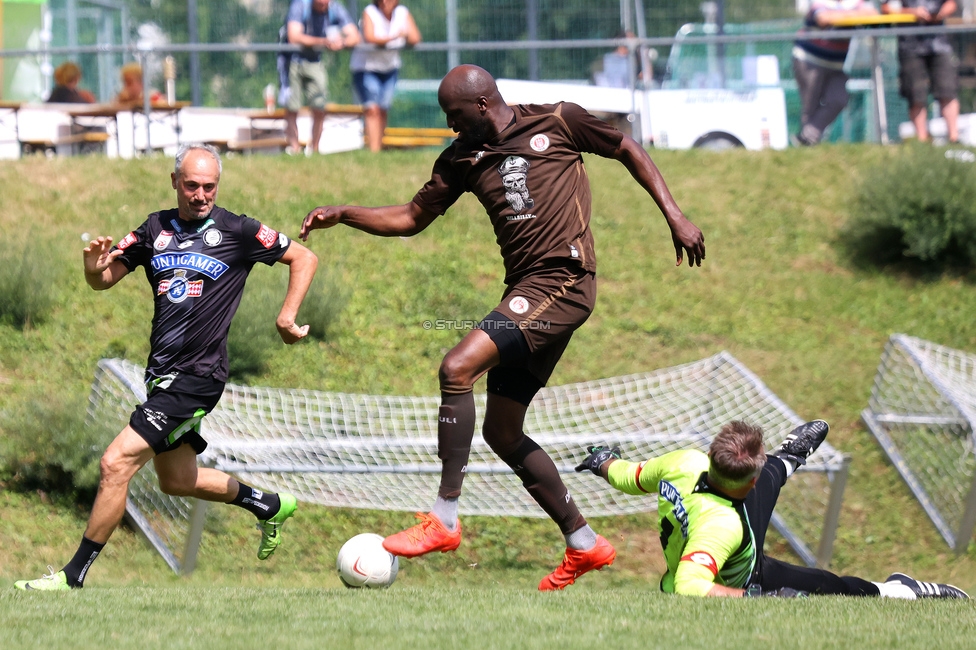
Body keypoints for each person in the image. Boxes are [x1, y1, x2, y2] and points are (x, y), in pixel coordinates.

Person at [300, 64, 705, 591]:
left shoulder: (559, 121)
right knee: (501, 430)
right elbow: (409, 217)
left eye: (456, 115)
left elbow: (626, 147)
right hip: (526, 290)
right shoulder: (462, 158)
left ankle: (443, 518)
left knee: (456, 366)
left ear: (485, 104)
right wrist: (345, 213)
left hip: (564, 280)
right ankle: (584, 542)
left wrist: (674, 214)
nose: (450, 127)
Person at [14, 144, 319, 591]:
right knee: (177, 480)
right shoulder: (153, 228)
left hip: (198, 377)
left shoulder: (239, 230)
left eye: (209, 186)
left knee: (115, 463)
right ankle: (268, 505)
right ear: (174, 181)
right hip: (162, 376)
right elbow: (103, 280)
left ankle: (71, 576)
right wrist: (89, 267)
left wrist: (286, 316)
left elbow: (304, 258)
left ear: (218, 185)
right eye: (192, 185)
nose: (200, 195)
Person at [575, 419, 970, 599]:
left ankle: (788, 456)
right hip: (743, 577)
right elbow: (689, 586)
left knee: (770, 479)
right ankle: (900, 590)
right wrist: (759, 599)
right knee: (834, 588)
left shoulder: (684, 463)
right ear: (746, 483)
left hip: (722, 517)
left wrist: (602, 462)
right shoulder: (723, 525)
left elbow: (631, 476)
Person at [791, 0, 878, 146]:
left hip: (836, 65)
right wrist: (853, 16)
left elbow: (872, 14)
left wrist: (840, 15)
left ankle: (806, 138)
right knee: (810, 106)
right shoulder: (820, 2)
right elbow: (823, 19)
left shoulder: (855, 3)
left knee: (839, 99)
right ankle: (807, 146)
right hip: (809, 60)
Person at [283, 0, 361, 154]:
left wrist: (341, 42)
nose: (324, 5)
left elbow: (355, 36)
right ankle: (295, 149)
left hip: (315, 61)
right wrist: (324, 42)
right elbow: (294, 36)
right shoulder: (300, 6)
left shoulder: (335, 8)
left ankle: (315, 149)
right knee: (292, 107)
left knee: (319, 106)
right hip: (292, 60)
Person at [882, 0, 960, 143]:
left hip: (939, 45)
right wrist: (912, 12)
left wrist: (940, 13)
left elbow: (952, 3)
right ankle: (922, 141)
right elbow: (886, 8)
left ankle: (954, 138)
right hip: (910, 47)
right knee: (915, 94)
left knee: (947, 91)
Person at [350, 0, 422, 152]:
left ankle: (378, 148)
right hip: (366, 68)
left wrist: (405, 36)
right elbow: (370, 37)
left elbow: (415, 38)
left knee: (383, 109)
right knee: (372, 109)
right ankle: (374, 150)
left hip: (390, 68)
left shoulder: (402, 12)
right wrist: (396, 37)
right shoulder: (369, 12)